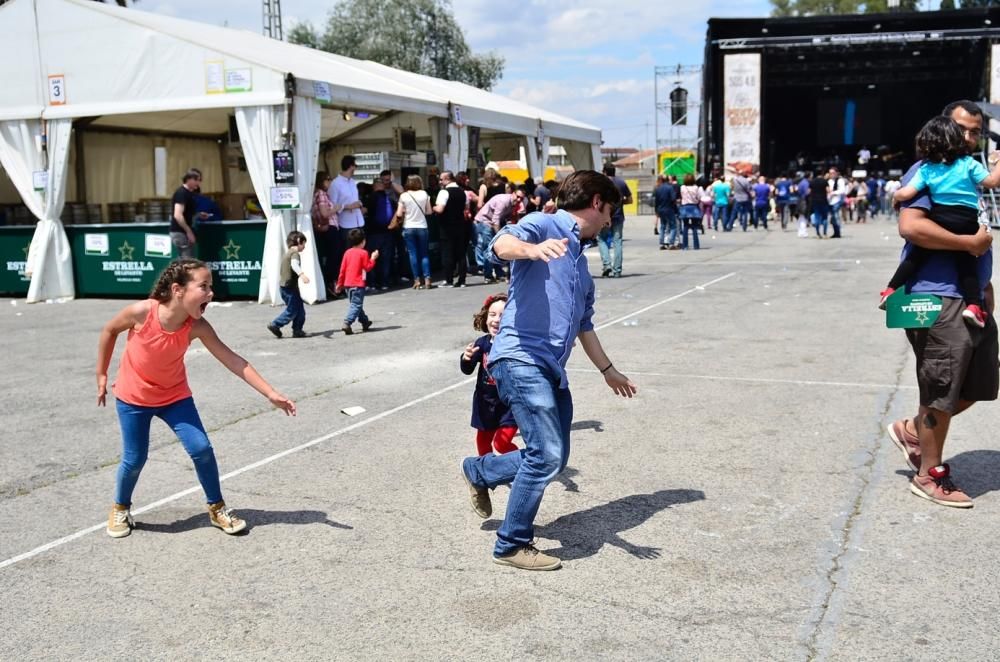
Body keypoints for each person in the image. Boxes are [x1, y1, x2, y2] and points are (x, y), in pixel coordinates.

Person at [460, 170, 638, 571]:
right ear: (596, 203)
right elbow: (501, 244)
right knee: (546, 454)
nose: (610, 221)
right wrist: (530, 251)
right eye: (609, 212)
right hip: (519, 358)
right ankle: (511, 543)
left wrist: (609, 371)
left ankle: (480, 469)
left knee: (553, 458)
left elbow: (584, 327)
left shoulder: (581, 267)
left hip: (551, 371)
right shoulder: (545, 222)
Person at [96, 259, 297, 538]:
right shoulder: (142, 312)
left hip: (175, 397)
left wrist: (270, 393)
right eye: (204, 286)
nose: (211, 293)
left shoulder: (197, 326)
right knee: (135, 458)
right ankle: (120, 507)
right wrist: (102, 374)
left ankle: (217, 508)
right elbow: (109, 331)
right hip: (133, 399)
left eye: (211, 286)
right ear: (178, 290)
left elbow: (234, 361)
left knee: (201, 448)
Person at [886, 99, 997, 508]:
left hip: (972, 298)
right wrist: (970, 243)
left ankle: (914, 431)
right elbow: (912, 226)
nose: (969, 138)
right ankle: (929, 474)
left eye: (975, 132)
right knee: (942, 386)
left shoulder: (969, 170)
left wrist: (985, 290)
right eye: (963, 129)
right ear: (943, 129)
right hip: (936, 297)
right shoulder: (928, 169)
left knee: (981, 383)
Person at [881, 115, 1000, 327]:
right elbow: (992, 182)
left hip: (940, 218)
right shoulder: (968, 163)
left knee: (916, 257)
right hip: (966, 221)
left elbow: (906, 193)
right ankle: (973, 306)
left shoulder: (926, 169)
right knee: (966, 265)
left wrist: (895, 198)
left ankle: (890, 290)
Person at [460, 293, 519, 457]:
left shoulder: (516, 344)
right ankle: (487, 471)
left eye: (503, 315)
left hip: (509, 405)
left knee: (501, 443)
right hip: (485, 405)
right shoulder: (482, 343)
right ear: (485, 318)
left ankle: (523, 464)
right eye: (492, 315)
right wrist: (466, 358)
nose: (497, 320)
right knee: (483, 442)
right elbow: (467, 369)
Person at [473, 190, 525, 282]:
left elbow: (506, 217)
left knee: (496, 248)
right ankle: (488, 276)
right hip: (485, 222)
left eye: (521, 198)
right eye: (517, 196)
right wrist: (500, 235)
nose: (519, 199)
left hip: (492, 223)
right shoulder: (503, 201)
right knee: (489, 249)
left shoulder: (513, 203)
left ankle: (499, 273)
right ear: (513, 194)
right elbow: (495, 220)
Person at [267, 231, 310, 339]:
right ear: (299, 241)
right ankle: (276, 324)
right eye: (304, 243)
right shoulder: (295, 254)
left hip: (286, 287)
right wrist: (302, 275)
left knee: (299, 309)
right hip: (289, 288)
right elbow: (294, 265)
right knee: (292, 309)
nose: (304, 247)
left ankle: (297, 330)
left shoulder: (288, 253)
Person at [335, 228, 377, 335]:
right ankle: (347, 322)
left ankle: (365, 321)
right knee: (356, 305)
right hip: (358, 284)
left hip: (348, 284)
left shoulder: (347, 253)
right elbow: (367, 267)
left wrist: (339, 284)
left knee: (356, 304)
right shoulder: (364, 253)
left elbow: (342, 270)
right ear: (363, 241)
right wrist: (373, 258)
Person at [433, 171, 470, 287]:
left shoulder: (444, 192)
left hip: (447, 226)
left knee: (447, 253)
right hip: (460, 225)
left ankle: (448, 280)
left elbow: (440, 209)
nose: (440, 182)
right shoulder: (463, 192)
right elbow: (466, 207)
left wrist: (431, 207)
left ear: (447, 179)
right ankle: (462, 280)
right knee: (461, 253)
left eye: (441, 179)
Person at [397, 174, 433, 290]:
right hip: (422, 226)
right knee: (424, 254)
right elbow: (429, 212)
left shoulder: (404, 196)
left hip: (408, 226)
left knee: (413, 254)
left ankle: (417, 280)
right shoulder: (424, 194)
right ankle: (427, 279)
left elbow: (399, 213)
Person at [597, 164, 632, 277]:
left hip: (603, 216)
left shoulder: (600, 184)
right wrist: (621, 202)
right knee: (617, 242)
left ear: (605, 172)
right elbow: (630, 199)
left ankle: (607, 265)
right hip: (618, 216)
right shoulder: (621, 183)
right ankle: (617, 270)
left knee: (601, 239)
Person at [311, 172, 341, 298]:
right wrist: (336, 208)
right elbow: (324, 213)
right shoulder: (322, 194)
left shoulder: (315, 194)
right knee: (333, 257)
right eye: (327, 180)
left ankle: (327, 284)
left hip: (321, 229)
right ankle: (331, 284)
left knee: (325, 257)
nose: (329, 182)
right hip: (330, 228)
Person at [170, 169, 205, 258]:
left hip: (181, 232)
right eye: (197, 180)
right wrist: (188, 232)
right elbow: (178, 215)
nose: (198, 183)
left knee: (184, 263)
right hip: (180, 232)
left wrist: (198, 214)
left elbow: (186, 213)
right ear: (189, 179)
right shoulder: (181, 193)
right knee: (188, 263)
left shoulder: (188, 193)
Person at [653, 174, 679, 249]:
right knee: (673, 226)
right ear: (667, 180)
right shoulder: (670, 188)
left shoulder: (658, 189)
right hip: (669, 209)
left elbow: (656, 201)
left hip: (661, 210)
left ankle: (662, 244)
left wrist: (656, 211)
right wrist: (675, 209)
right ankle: (671, 243)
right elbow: (673, 199)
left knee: (662, 226)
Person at [678, 174, 703, 250]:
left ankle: (685, 246)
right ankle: (696, 245)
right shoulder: (696, 188)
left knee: (685, 227)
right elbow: (699, 197)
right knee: (695, 227)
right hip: (694, 207)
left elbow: (681, 196)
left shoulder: (682, 187)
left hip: (685, 207)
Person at [809, 171, 831, 238]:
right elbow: (828, 190)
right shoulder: (824, 181)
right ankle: (824, 233)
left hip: (815, 201)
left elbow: (809, 191)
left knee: (817, 217)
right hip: (823, 201)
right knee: (825, 217)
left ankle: (818, 233)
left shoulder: (812, 182)